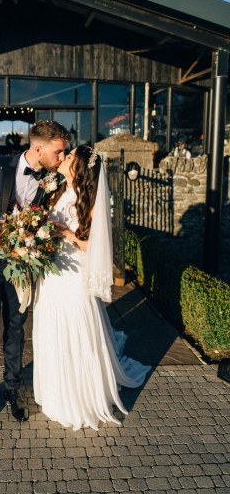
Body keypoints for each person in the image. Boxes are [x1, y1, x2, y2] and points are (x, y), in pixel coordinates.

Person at [0, 120, 71, 429]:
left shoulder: (52, 179)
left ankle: (11, 389)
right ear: (39, 149)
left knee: (16, 329)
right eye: (58, 152)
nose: (62, 158)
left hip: (22, 265)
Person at [33, 145, 151, 431]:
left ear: (81, 167)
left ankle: (80, 397)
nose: (63, 158)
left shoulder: (91, 200)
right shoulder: (58, 192)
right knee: (51, 326)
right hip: (52, 273)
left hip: (74, 276)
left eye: (69, 156)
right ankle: (56, 392)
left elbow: (97, 246)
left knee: (76, 329)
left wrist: (68, 234)